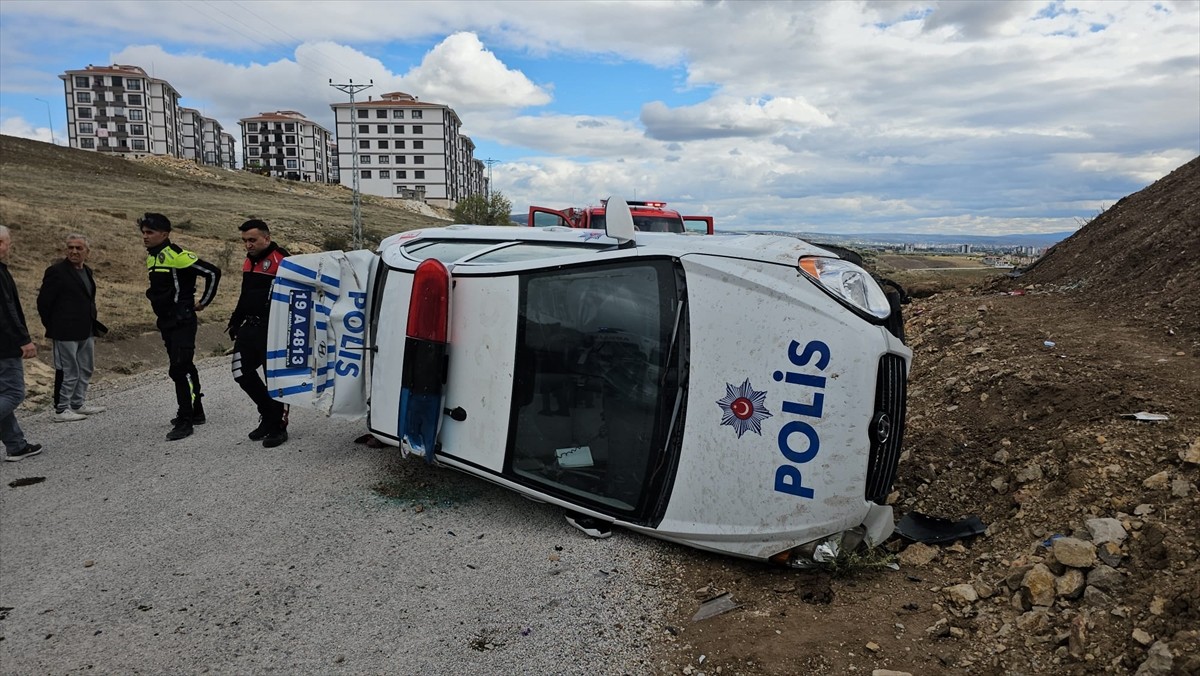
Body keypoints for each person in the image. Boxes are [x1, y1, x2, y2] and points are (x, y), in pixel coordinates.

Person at [139, 213, 221, 441]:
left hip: (183, 320)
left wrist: (203, 302)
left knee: (179, 369)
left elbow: (213, 272)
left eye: (150, 232)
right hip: (165, 321)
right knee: (185, 367)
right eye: (143, 232)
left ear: (164, 234)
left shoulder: (177, 255)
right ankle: (196, 412)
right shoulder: (152, 257)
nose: (145, 237)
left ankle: (185, 420)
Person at [227, 219, 290, 448]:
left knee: (274, 378)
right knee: (240, 372)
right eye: (244, 241)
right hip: (249, 328)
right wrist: (235, 322)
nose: (248, 245)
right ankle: (267, 414)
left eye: (252, 240)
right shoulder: (248, 262)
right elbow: (245, 294)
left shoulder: (282, 259)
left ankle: (278, 426)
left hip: (273, 329)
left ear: (267, 238)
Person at [37, 233, 105, 423]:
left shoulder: (87, 271)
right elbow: (43, 303)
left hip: (86, 329)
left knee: (86, 368)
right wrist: (53, 326)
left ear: (87, 252)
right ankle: (61, 409)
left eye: (78, 248)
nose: (74, 251)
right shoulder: (56, 271)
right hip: (64, 331)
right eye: (70, 247)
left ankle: (78, 403)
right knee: (68, 370)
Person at [0, 225, 43, 461]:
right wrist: (24, 340)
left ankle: (16, 445)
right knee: (14, 393)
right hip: (5, 346)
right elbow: (6, 311)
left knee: (2, 392)